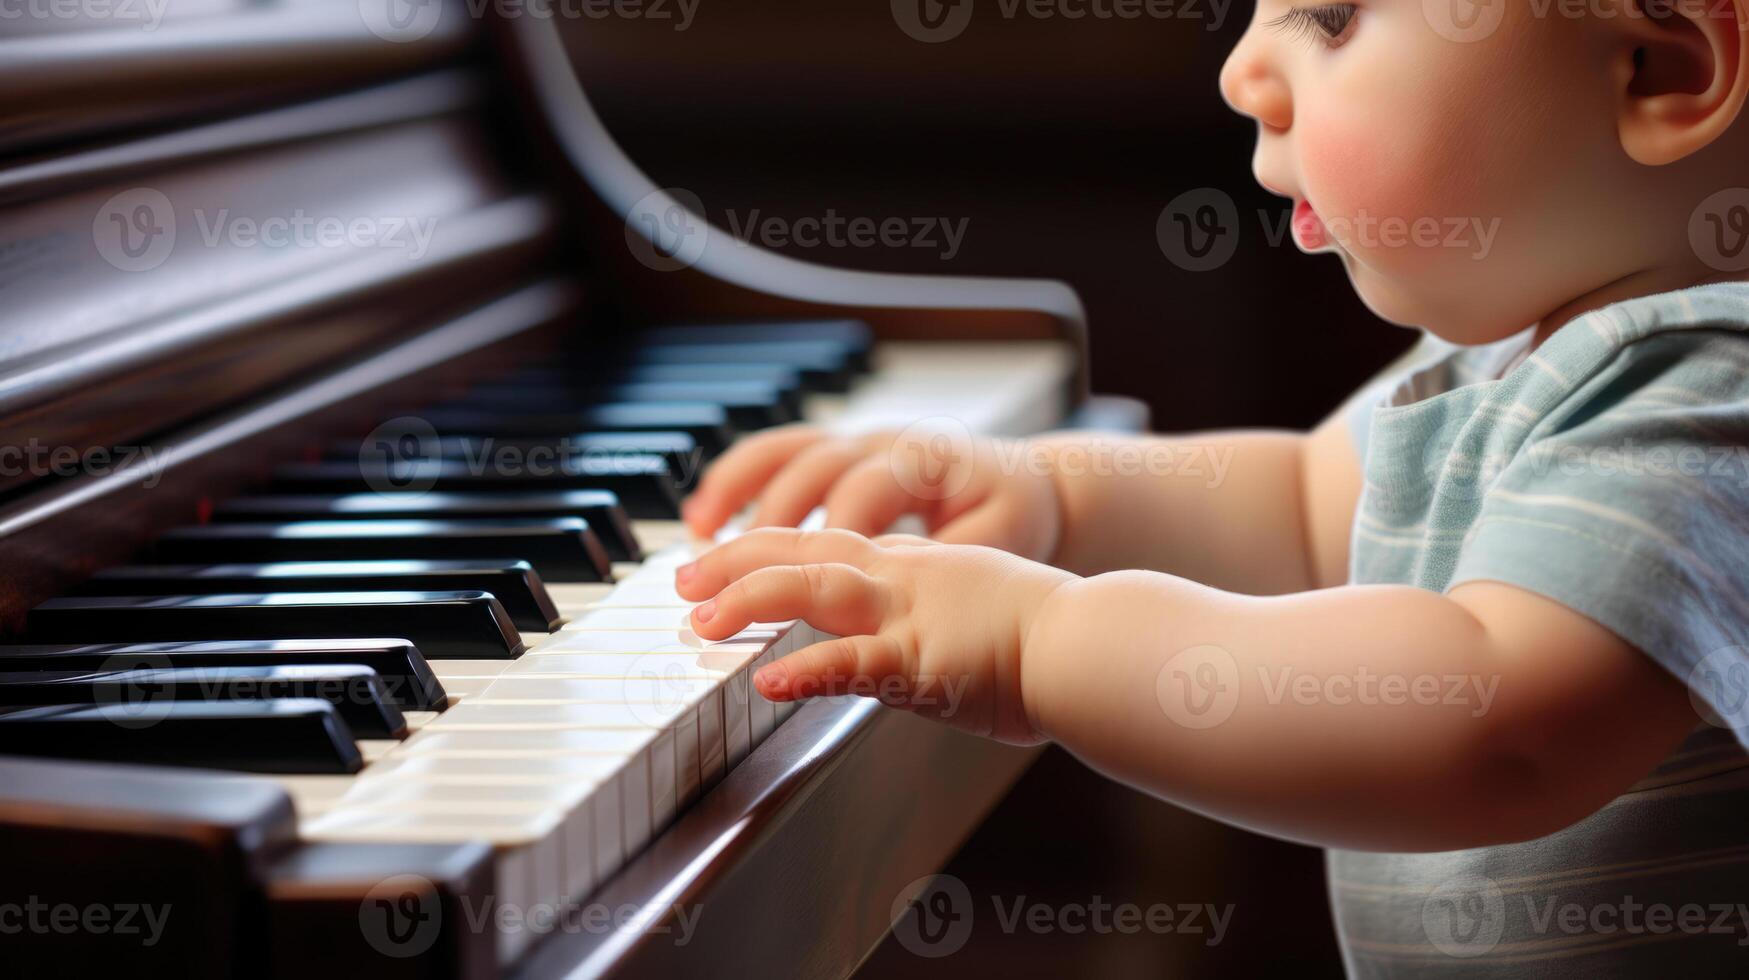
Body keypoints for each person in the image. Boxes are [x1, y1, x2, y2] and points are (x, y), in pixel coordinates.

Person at [675, 0, 1749, 971]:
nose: (1243, 71)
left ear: (1658, 68)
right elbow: (1298, 505)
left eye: (1328, 20)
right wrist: (1054, 494)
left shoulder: (1702, 394)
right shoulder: (1529, 352)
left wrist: (1037, 642)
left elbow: (1496, 719)